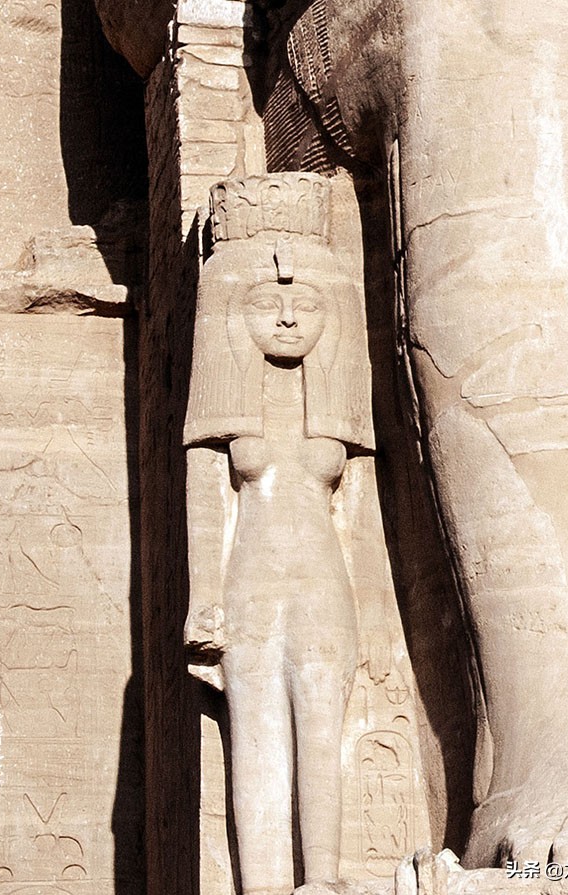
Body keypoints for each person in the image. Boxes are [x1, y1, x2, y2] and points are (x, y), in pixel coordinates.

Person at [183, 174, 390, 895]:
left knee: (321, 728)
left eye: (306, 304)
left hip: (324, 582)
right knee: (257, 738)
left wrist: (381, 618)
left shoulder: (337, 415)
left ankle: (322, 880)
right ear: (232, 314)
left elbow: (364, 526)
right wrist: (202, 599)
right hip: (248, 580)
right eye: (266, 304)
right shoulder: (225, 414)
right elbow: (204, 504)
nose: (287, 318)